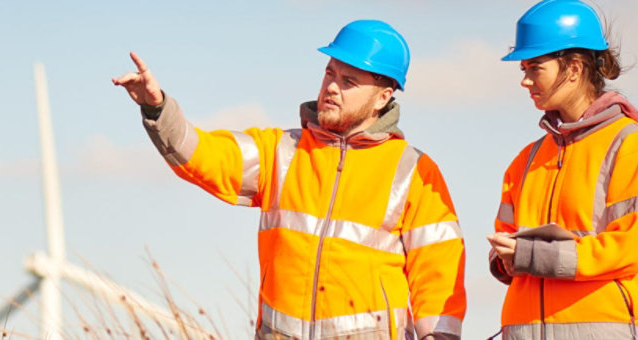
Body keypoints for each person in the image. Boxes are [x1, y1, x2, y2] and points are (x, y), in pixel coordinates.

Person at [113, 20, 465, 339]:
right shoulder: (281, 151)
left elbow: (439, 276)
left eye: (348, 81)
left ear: (383, 97)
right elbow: (202, 153)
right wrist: (157, 109)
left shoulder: (415, 171)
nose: (331, 87)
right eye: (330, 73)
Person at [484, 1, 638, 339]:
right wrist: (504, 258)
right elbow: (508, 245)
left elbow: (630, 247)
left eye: (534, 68)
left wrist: (534, 254)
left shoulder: (629, 145)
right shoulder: (525, 161)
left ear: (573, 69)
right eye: (523, 69)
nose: (525, 81)